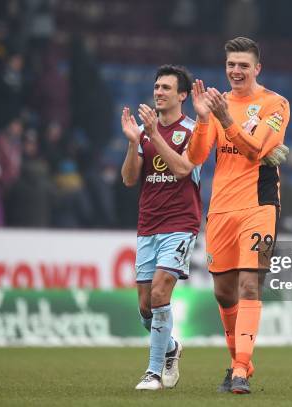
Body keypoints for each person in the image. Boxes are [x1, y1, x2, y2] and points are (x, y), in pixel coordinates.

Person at [149, 37, 290, 394]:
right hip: (222, 208)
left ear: (257, 68)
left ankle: (240, 369)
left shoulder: (275, 104)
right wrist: (201, 118)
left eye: (244, 65)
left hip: (259, 206)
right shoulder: (216, 105)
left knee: (248, 284)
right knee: (224, 293)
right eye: (231, 65)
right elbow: (195, 157)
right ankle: (239, 360)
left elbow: (257, 149)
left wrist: (225, 119)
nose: (236, 71)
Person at [120, 65, 201, 390]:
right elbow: (128, 179)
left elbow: (183, 169)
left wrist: (152, 134)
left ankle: (153, 373)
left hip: (181, 223)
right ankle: (170, 348)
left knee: (159, 293)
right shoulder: (142, 132)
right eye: (156, 87)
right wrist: (132, 142)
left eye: (166, 87)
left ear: (182, 95)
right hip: (148, 224)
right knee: (144, 307)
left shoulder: (193, 130)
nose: (158, 92)